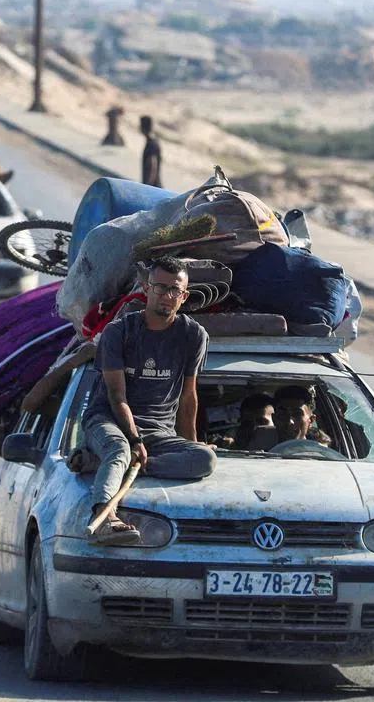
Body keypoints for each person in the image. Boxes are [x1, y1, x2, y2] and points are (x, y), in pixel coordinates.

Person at [82, 256, 216, 545]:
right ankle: (105, 517)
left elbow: (188, 396)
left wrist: (190, 443)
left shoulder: (194, 335)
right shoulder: (118, 332)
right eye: (160, 287)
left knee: (205, 458)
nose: (167, 296)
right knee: (118, 450)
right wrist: (133, 439)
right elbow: (117, 397)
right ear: (146, 288)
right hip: (110, 421)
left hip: (158, 433)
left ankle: (120, 463)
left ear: (184, 297)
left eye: (175, 291)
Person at [140, 114, 162, 188]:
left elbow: (153, 166)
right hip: (154, 186)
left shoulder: (151, 144)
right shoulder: (154, 141)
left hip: (153, 187)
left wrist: (147, 186)